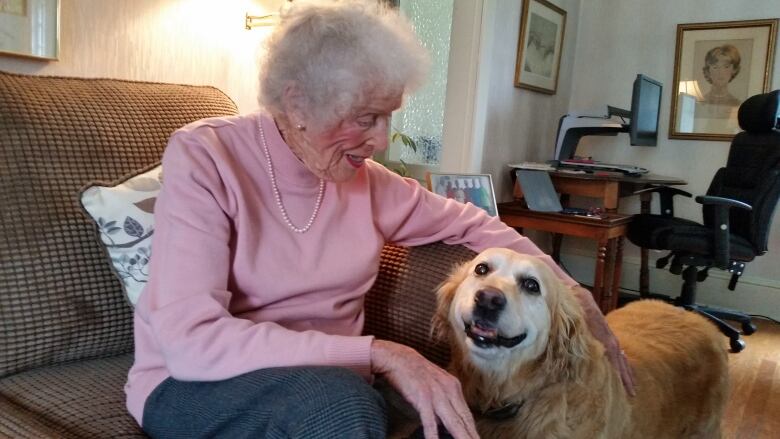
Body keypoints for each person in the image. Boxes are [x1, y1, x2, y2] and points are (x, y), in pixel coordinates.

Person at [126, 1, 634, 438]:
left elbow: (474, 225)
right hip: (194, 384)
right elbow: (191, 342)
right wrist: (379, 354)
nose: (382, 140)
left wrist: (575, 294)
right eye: (366, 118)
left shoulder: (368, 182)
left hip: (337, 378)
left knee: (460, 409)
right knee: (341, 407)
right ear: (297, 102)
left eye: (389, 116)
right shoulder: (208, 156)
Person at [697, 44, 742, 120]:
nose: (721, 72)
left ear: (734, 70)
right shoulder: (700, 103)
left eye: (726, 67)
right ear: (708, 71)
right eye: (715, 67)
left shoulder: (737, 104)